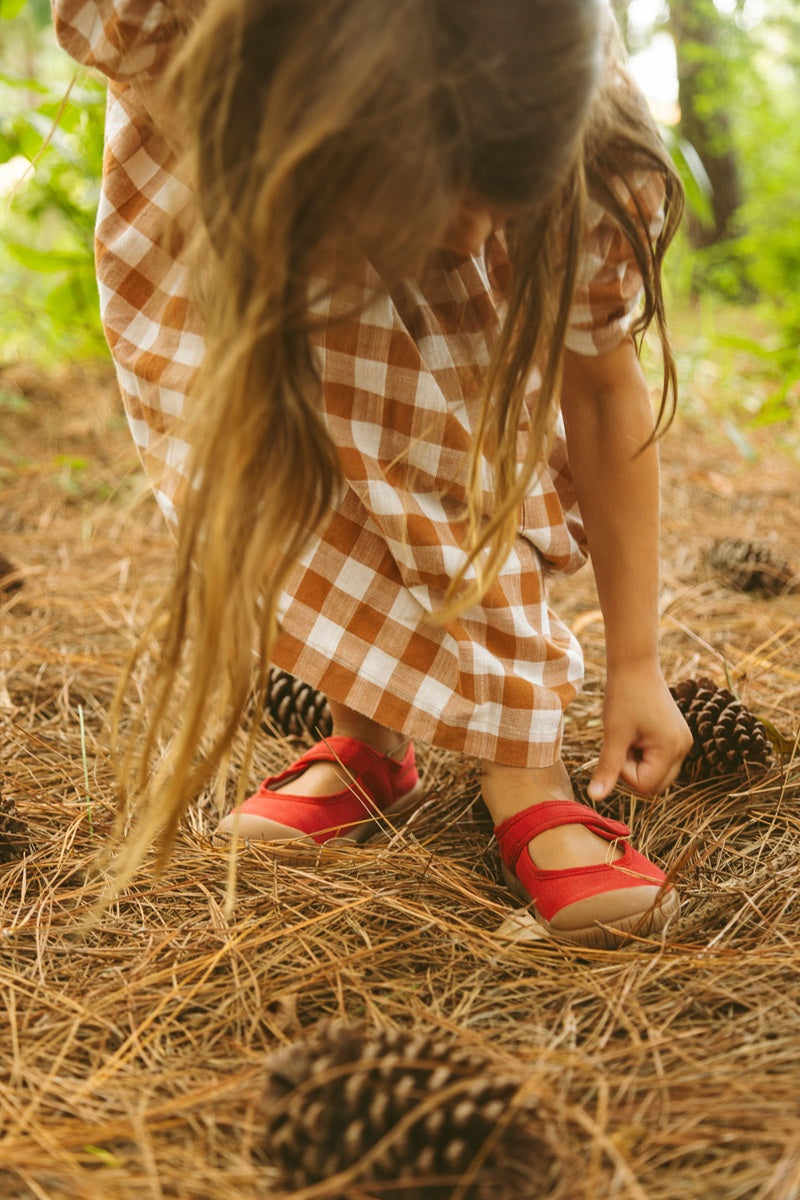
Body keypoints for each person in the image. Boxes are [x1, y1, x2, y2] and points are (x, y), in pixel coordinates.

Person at [53, 0, 692, 947]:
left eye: (499, 206)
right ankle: (373, 730)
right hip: (255, 143)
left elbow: (599, 391)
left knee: (449, 376)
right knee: (311, 402)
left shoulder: (568, 107)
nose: (477, 242)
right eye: (449, 195)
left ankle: (522, 758)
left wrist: (636, 665)